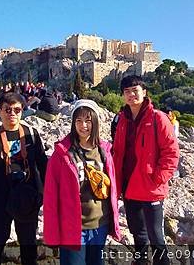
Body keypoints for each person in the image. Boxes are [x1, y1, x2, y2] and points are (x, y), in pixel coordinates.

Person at [112, 75, 180, 265]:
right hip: (129, 186)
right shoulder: (122, 119)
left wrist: (159, 177)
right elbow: (117, 151)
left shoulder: (158, 118)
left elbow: (171, 152)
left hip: (150, 189)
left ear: (144, 92)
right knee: (138, 235)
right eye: (127, 91)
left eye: (135, 90)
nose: (131, 95)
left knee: (157, 237)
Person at [0, 92, 48, 265]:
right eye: (7, 109)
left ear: (22, 111)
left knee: (29, 247)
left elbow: (43, 164)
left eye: (17, 109)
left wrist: (44, 194)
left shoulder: (31, 134)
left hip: (27, 198)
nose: (12, 114)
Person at [43, 99, 121, 264]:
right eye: (78, 120)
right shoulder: (61, 154)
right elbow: (50, 196)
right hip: (73, 227)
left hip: (100, 223)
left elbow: (112, 188)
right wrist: (52, 233)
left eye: (88, 120)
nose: (83, 125)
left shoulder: (104, 151)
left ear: (95, 122)